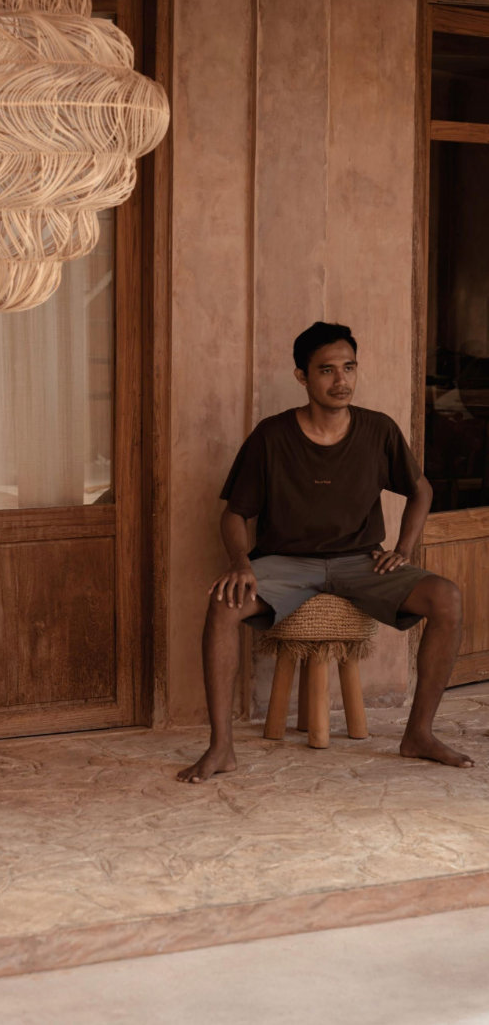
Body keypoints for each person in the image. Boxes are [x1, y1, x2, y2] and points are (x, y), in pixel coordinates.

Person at [178, 321, 473, 784]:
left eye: (349, 368)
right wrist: (240, 563)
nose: (342, 381)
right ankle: (221, 748)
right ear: (302, 376)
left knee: (447, 597)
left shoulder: (378, 430)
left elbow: (422, 490)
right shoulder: (271, 436)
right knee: (222, 605)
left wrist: (403, 548)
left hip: (361, 561)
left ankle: (418, 734)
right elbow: (233, 515)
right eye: (327, 370)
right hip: (285, 563)